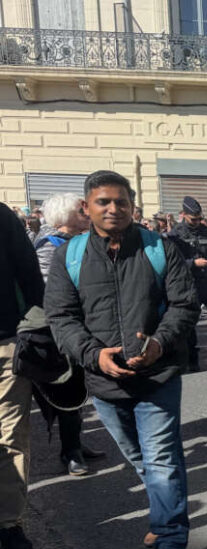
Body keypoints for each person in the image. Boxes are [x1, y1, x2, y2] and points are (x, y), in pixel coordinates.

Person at [44, 170, 199, 549]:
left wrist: (159, 344)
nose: (113, 208)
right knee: (139, 456)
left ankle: (169, 540)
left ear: (133, 205)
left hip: (158, 376)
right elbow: (61, 317)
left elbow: (185, 304)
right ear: (87, 207)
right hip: (103, 381)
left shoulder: (159, 248)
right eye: (103, 202)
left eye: (121, 202)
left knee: (162, 456)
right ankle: (164, 511)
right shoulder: (69, 256)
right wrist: (94, 356)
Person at [37, 192, 105, 476]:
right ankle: (71, 452)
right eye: (81, 211)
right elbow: (50, 294)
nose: (87, 215)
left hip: (84, 326)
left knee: (80, 388)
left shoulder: (81, 243)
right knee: (67, 390)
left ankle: (76, 441)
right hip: (60, 330)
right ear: (66, 217)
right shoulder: (49, 247)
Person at [0, 202, 45, 549]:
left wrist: (33, 333)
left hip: (6, 346)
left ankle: (9, 522)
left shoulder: (1, 216)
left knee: (11, 434)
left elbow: (31, 277)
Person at [167, 196, 207, 373]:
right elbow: (172, 262)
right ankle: (192, 360)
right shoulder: (175, 235)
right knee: (190, 325)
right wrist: (193, 264)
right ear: (183, 215)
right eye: (193, 219)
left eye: (199, 218)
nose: (197, 222)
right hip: (190, 284)